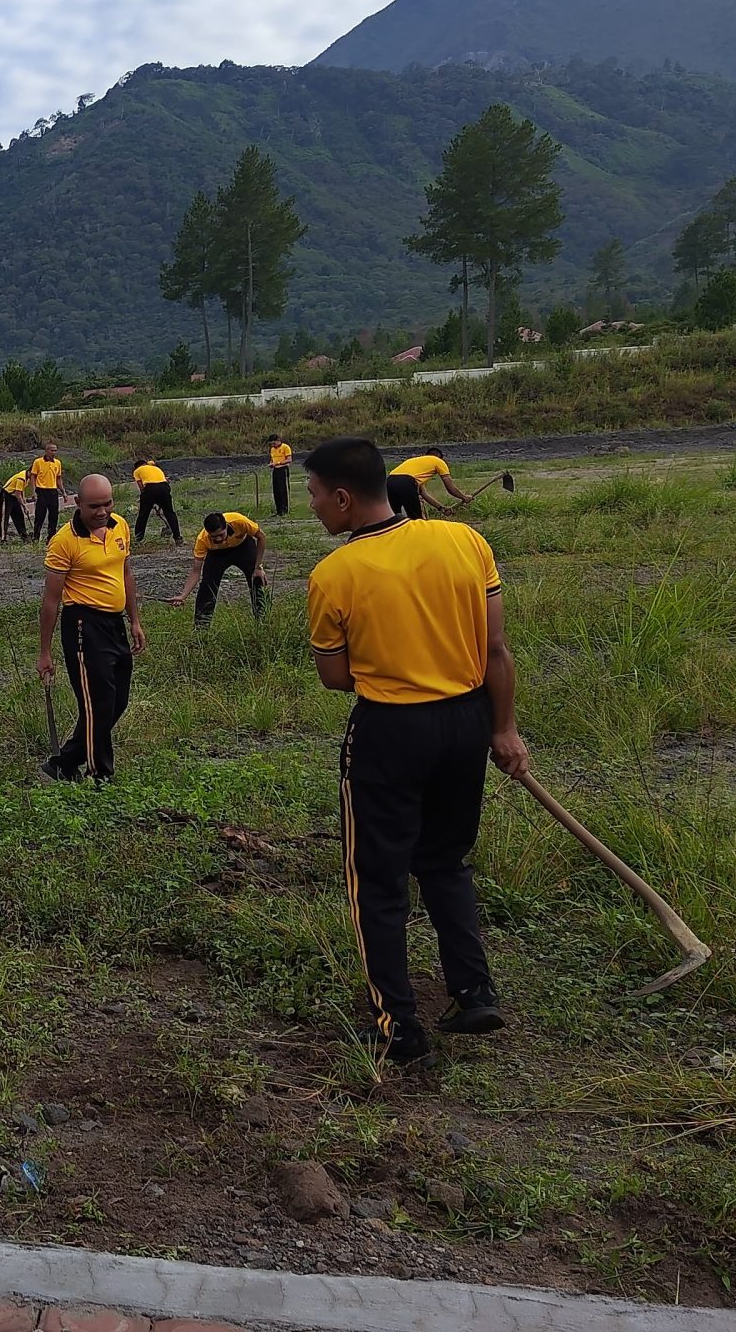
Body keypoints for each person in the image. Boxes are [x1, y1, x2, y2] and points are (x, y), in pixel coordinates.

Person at [304, 436, 524, 1068]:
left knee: (377, 880)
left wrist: (393, 661)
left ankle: (397, 1026)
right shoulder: (465, 542)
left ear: (342, 499)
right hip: (467, 724)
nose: (312, 506)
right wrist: (503, 729)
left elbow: (335, 677)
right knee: (445, 860)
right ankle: (472, 993)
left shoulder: (333, 575)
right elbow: (495, 650)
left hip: (390, 732)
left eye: (314, 495)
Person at [37, 474, 144, 784]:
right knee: (97, 703)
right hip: (83, 626)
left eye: (107, 504)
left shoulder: (119, 526)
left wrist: (134, 620)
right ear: (78, 503)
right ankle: (100, 775)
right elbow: (50, 601)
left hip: (115, 623)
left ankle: (64, 763)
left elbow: (126, 574)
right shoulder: (64, 541)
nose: (102, 512)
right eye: (94, 506)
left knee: (117, 701)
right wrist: (45, 652)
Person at [167, 511, 268, 623]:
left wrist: (258, 567)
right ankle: (202, 626)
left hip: (243, 547)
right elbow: (196, 571)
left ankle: (263, 620)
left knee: (257, 579)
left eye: (221, 535)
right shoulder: (202, 539)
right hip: (217, 554)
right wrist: (183, 596)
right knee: (207, 585)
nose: (218, 539)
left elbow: (261, 537)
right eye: (214, 537)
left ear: (226, 526)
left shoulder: (239, 521)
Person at [388, 448, 466, 520]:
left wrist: (441, 508)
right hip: (406, 482)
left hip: (389, 481)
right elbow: (450, 487)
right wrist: (464, 497)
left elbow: (424, 494)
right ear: (438, 456)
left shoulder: (415, 463)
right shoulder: (438, 461)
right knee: (416, 519)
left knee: (393, 518)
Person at [130, 455, 179, 543]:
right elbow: (165, 481)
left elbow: (141, 487)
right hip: (164, 488)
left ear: (137, 466)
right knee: (169, 512)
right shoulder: (156, 468)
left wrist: (145, 499)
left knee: (143, 514)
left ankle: (138, 539)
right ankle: (178, 538)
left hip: (150, 488)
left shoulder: (137, 471)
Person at [30, 443, 65, 540]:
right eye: (52, 450)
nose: (54, 453)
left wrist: (63, 492)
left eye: (55, 451)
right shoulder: (38, 462)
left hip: (53, 491)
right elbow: (33, 476)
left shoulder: (57, 463)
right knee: (40, 515)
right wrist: (33, 491)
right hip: (41, 491)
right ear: (46, 451)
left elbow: (58, 478)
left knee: (54, 515)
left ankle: (51, 537)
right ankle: (36, 536)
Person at [1, 466, 31, 540]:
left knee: (19, 516)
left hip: (15, 496)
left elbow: (21, 490)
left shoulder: (27, 478)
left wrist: (24, 501)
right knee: (5, 516)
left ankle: (24, 537)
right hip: (7, 494)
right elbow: (18, 494)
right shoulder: (21, 478)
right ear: (29, 471)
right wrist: (24, 507)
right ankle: (3, 538)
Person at [268, 435, 293, 516]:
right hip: (275, 469)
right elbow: (272, 459)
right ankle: (278, 510)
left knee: (282, 489)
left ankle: (284, 509)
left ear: (278, 440)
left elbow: (289, 459)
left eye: (274, 443)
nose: (273, 445)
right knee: (276, 490)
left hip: (283, 469)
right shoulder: (272, 449)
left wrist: (279, 463)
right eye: (271, 444)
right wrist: (271, 463)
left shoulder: (285, 447)